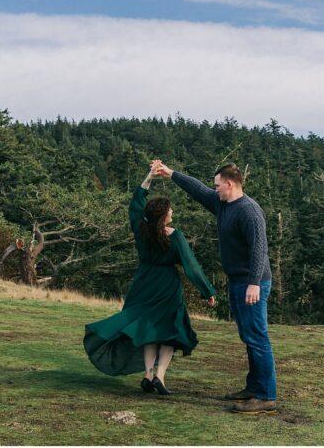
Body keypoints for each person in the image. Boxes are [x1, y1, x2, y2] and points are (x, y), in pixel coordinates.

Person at [153, 160, 277, 414]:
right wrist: (171, 173)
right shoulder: (223, 205)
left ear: (229, 184)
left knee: (257, 337)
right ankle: (254, 388)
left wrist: (254, 283)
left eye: (218, 185)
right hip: (238, 281)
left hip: (252, 282)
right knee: (248, 336)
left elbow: (259, 250)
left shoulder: (249, 211)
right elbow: (198, 190)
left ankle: (266, 395)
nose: (215, 189)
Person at [84, 166, 216, 395]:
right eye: (170, 209)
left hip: (144, 283)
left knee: (148, 329)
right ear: (164, 216)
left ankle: (147, 374)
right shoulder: (175, 236)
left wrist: (149, 177)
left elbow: (135, 203)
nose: (173, 211)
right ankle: (159, 377)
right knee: (169, 331)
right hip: (167, 287)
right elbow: (191, 266)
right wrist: (207, 291)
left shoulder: (141, 229)